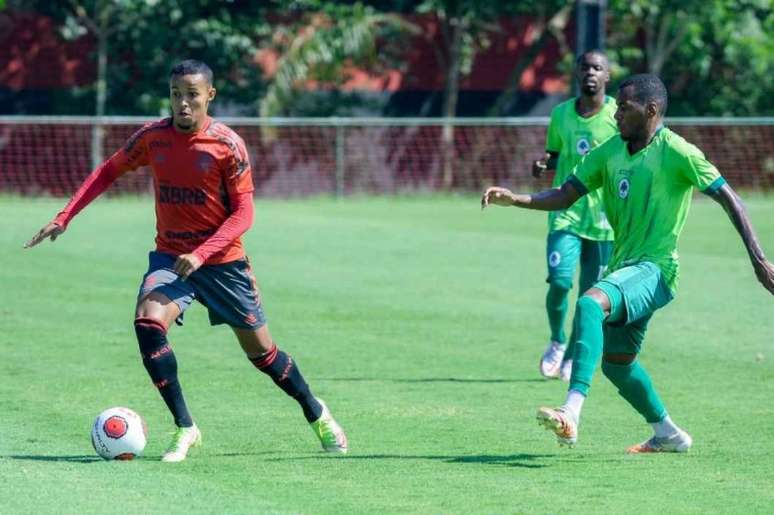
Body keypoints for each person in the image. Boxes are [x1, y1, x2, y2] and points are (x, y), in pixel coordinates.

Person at [24, 59, 348, 462]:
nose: (182, 104)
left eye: (192, 95)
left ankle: (316, 413)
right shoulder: (153, 138)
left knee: (263, 355)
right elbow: (109, 170)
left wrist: (202, 253)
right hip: (171, 257)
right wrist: (65, 216)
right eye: (176, 94)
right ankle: (185, 427)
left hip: (223, 263)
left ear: (209, 96)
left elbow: (244, 213)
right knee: (147, 322)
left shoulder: (227, 145)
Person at [482, 74, 774, 452]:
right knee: (617, 363)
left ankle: (571, 411)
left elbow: (731, 198)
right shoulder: (610, 151)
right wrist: (515, 199)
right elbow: (566, 194)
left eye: (625, 107)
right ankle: (668, 433)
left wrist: (759, 260)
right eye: (617, 107)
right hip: (624, 268)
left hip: (656, 269)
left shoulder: (678, 151)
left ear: (651, 110)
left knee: (589, 302)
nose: (616, 114)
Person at [532, 50, 617, 382]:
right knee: (560, 281)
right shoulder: (561, 114)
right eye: (585, 67)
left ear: (607, 76)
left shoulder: (617, 115)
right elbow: (554, 156)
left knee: (589, 297)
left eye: (597, 68)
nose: (591, 73)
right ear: (576, 73)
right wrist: (543, 165)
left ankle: (571, 357)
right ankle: (557, 340)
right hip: (565, 212)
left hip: (603, 219)